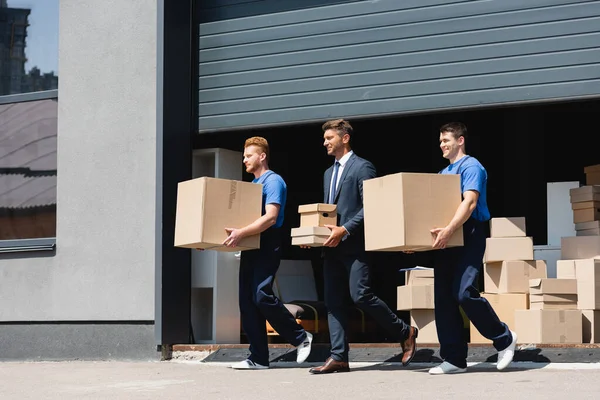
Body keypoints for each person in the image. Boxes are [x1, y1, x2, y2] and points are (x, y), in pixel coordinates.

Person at [307, 119, 419, 375]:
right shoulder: (328, 173)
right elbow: (330, 212)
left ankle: (406, 332)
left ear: (345, 138)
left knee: (361, 295)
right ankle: (339, 357)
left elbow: (372, 206)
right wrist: (313, 236)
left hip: (355, 245)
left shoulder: (363, 167)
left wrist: (344, 230)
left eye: (329, 138)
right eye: (324, 139)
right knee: (333, 302)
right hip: (331, 246)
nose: (325, 142)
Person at [427, 122, 517, 374]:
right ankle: (454, 359)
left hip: (470, 232)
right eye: (440, 140)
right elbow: (431, 213)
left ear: (460, 140)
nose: (442, 144)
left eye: (446, 140)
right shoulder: (443, 173)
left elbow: (470, 202)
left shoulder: (471, 166)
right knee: (443, 298)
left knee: (464, 293)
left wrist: (449, 230)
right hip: (448, 236)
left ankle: (504, 337)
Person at [224, 136, 312, 370]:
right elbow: (234, 223)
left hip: (268, 243)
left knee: (261, 295)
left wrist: (241, 232)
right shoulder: (251, 187)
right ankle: (258, 358)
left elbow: (271, 217)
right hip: (250, 244)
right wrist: (209, 240)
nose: (244, 160)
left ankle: (301, 336)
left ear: (262, 156)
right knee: (248, 301)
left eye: (248, 155)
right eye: (244, 156)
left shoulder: (274, 181)